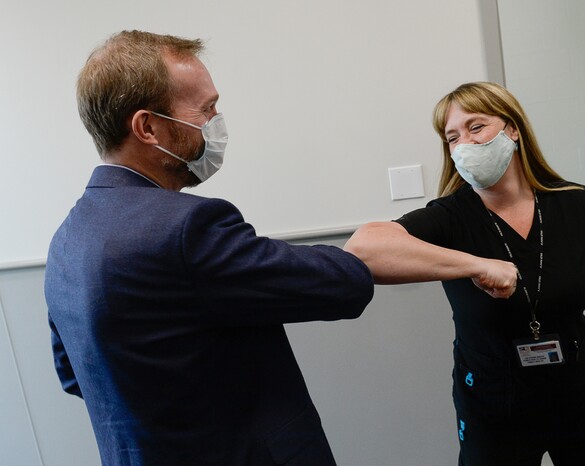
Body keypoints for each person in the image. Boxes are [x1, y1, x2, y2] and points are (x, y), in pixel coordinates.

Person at [44, 30, 374, 466]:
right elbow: (344, 287)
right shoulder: (186, 228)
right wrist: (363, 250)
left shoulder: (66, 239)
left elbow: (74, 376)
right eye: (206, 109)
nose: (216, 122)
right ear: (147, 127)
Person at [344, 81, 585, 465]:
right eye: (452, 138)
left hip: (579, 389)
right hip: (493, 401)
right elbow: (363, 249)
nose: (465, 144)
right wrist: (475, 265)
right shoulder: (450, 217)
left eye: (476, 127)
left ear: (513, 129)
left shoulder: (575, 203)